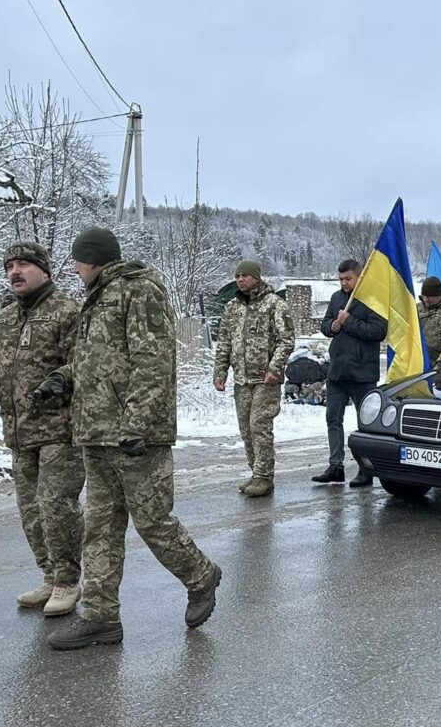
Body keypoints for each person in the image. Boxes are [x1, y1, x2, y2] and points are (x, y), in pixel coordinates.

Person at [34, 226, 222, 650]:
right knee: (99, 528)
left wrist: (136, 422)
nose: (74, 267)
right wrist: (60, 379)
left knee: (153, 521)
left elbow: (152, 360)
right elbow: (97, 362)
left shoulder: (139, 291)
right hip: (97, 434)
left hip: (136, 436)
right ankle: (100, 619)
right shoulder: (97, 297)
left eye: (77, 259)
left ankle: (201, 575)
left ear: (94, 258)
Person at [0, 241, 83, 617]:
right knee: (30, 510)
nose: (15, 272)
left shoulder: (67, 312)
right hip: (20, 433)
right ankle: (49, 574)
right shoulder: (4, 319)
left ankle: (67, 580)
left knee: (56, 505)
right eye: (10, 265)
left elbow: (86, 365)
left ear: (43, 270)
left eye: (24, 264)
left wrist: (58, 384)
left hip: (61, 430)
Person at [213, 260, 295, 498]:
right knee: (246, 430)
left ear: (256, 278)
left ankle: (263, 477)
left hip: (265, 380)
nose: (240, 279)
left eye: (245, 275)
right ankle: (255, 471)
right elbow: (224, 343)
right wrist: (220, 372)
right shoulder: (232, 307)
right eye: (237, 276)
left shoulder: (274, 305)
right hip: (242, 380)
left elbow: (286, 339)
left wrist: (275, 368)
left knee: (259, 426)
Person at [313, 259, 386, 487]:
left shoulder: (373, 299)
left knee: (365, 423)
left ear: (358, 277)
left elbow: (378, 331)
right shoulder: (336, 298)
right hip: (337, 371)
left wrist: (349, 321)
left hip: (362, 373)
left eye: (348, 279)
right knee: (332, 418)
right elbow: (325, 324)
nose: (344, 283)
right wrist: (331, 326)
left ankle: (366, 469)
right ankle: (336, 465)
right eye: (341, 279)